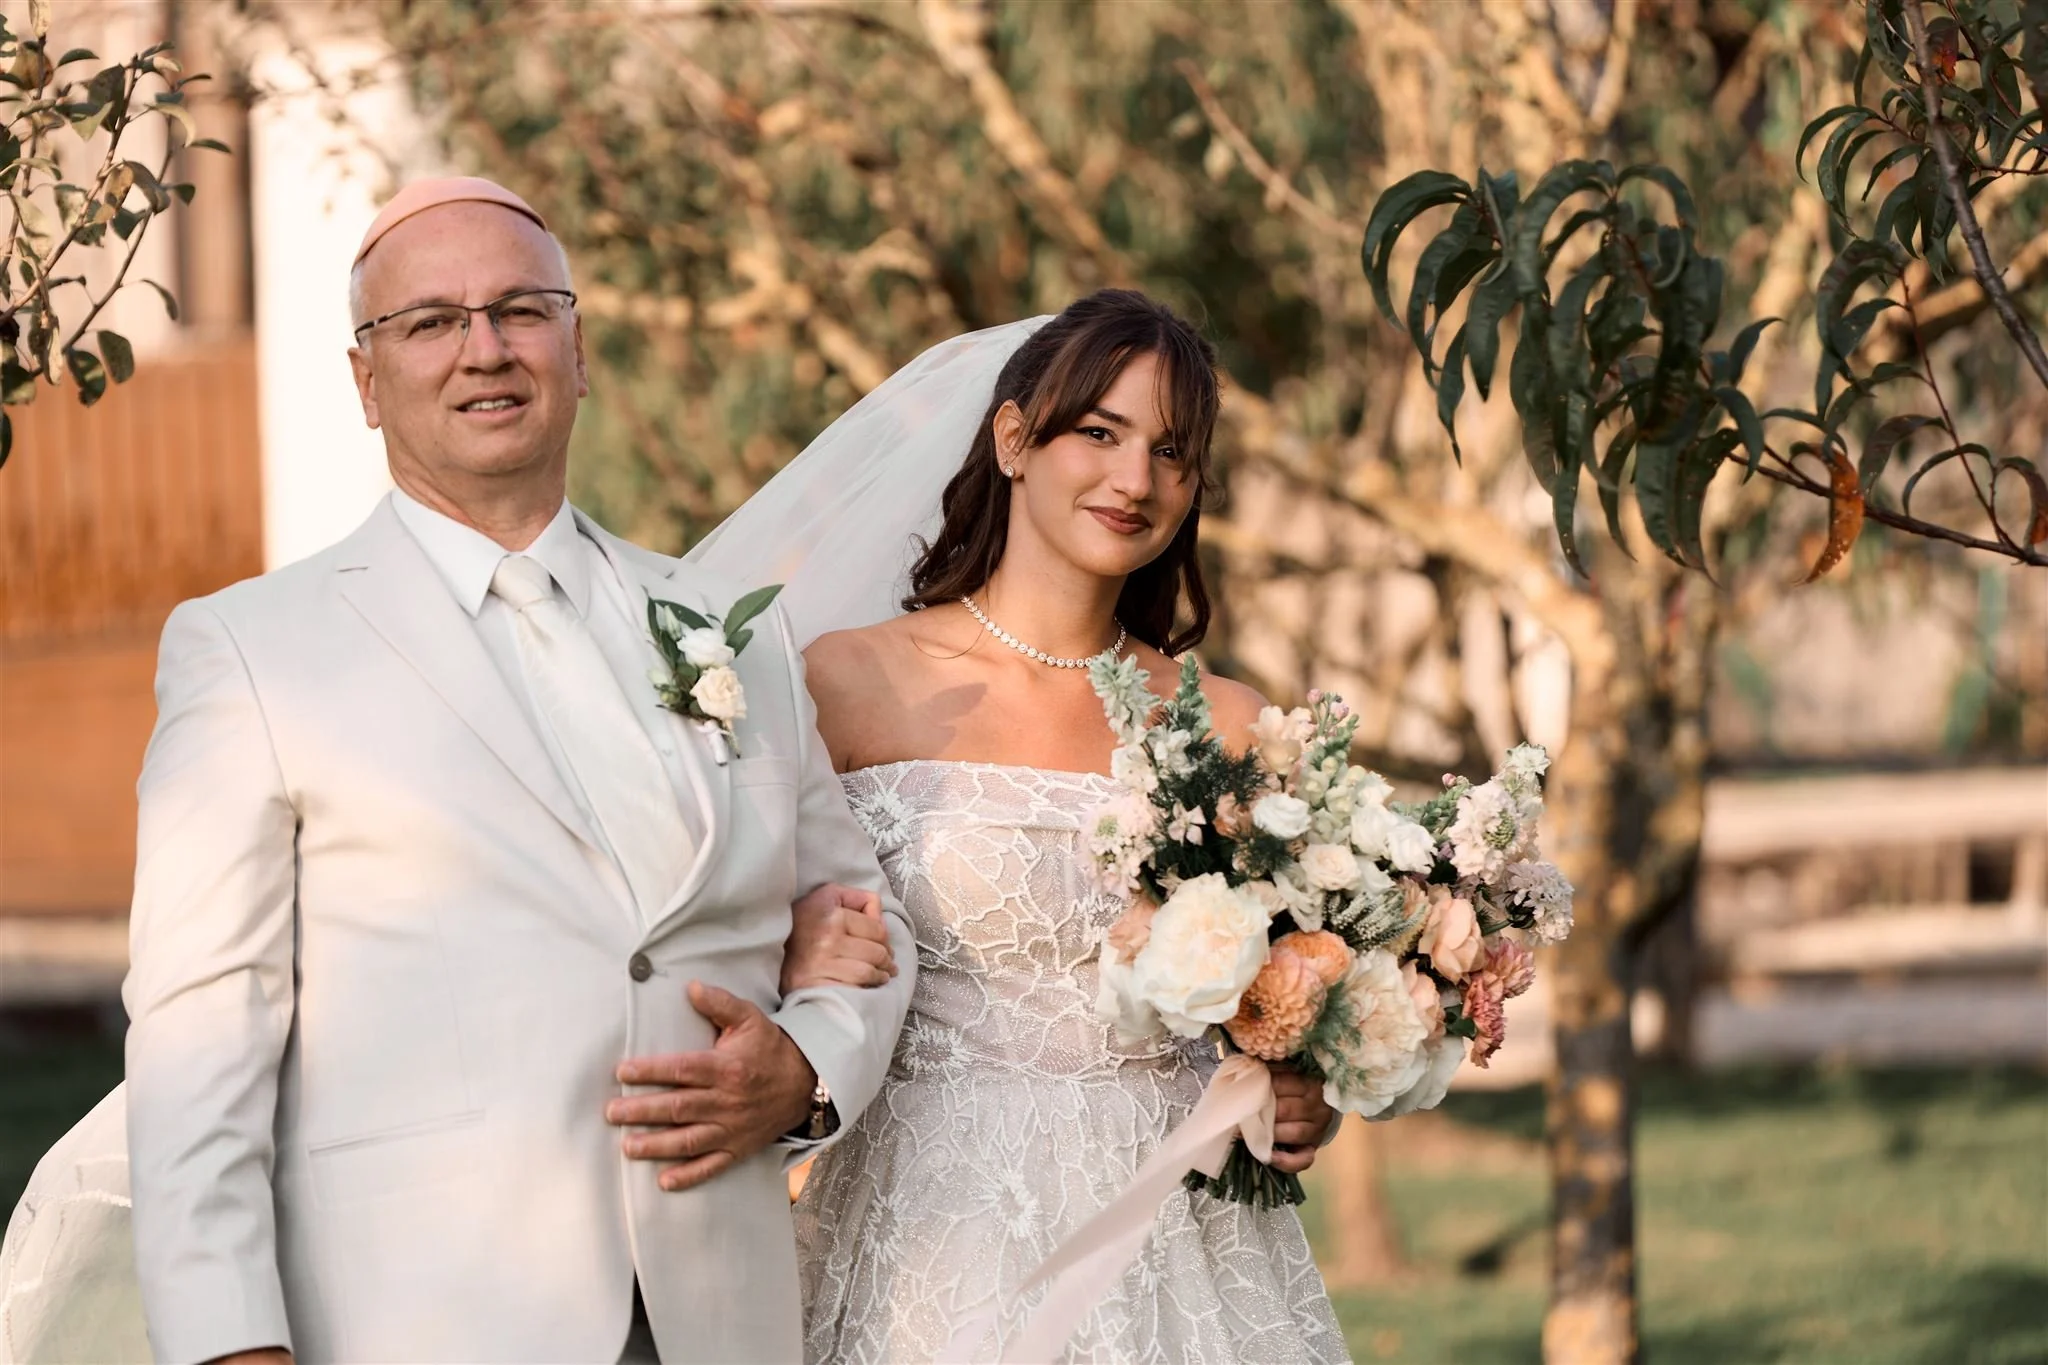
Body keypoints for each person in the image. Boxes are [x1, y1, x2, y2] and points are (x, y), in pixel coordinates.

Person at [0, 178, 914, 1365]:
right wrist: (232, 1346)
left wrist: (803, 1066)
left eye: (521, 310)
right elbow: (196, 1042)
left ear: (578, 352)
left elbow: (855, 913)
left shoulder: (730, 629)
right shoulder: (251, 651)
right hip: (416, 1322)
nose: (485, 349)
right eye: (429, 322)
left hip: (717, 1315)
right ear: (365, 384)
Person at [689, 290, 1351, 1363]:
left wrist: (1300, 1084)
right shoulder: (849, 683)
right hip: (932, 1237)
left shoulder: (1227, 722)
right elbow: (734, 929)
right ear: (1011, 438)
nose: (1134, 480)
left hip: (1177, 1235)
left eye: (1172, 452)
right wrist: (791, 953)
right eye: (1099, 432)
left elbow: (1284, 993)